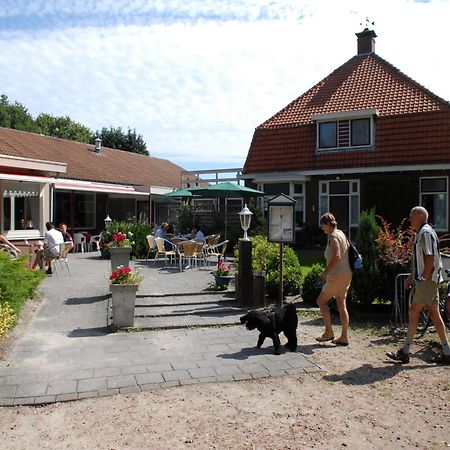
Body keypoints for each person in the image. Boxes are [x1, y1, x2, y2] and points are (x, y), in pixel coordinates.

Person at [387, 206, 450, 364]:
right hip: (428, 280)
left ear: (420, 217)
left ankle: (405, 351)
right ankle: (447, 351)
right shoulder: (422, 232)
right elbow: (422, 260)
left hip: (427, 281)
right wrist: (411, 277)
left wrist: (421, 278)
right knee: (434, 315)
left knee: (414, 310)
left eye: (411, 216)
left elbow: (429, 258)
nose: (409, 220)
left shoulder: (425, 232)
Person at [315, 212, 352, 346]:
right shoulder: (341, 233)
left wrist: (325, 273)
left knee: (320, 301)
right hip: (346, 274)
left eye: (322, 226)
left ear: (326, 224)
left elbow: (337, 256)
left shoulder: (333, 237)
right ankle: (344, 337)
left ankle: (328, 332)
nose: (322, 229)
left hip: (336, 276)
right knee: (342, 305)